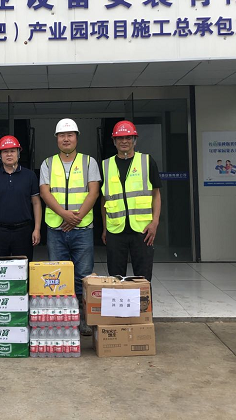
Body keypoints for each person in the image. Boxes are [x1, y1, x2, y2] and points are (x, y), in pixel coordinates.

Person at [39, 119, 100, 328]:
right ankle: (63, 319)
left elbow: (94, 192)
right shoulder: (47, 163)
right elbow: (45, 192)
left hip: (82, 229)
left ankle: (84, 319)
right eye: (62, 135)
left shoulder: (89, 162)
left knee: (84, 276)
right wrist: (64, 215)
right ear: (57, 139)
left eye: (70, 135)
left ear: (77, 138)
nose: (66, 139)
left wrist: (76, 218)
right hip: (56, 229)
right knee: (58, 276)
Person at [101, 121, 162, 282]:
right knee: (115, 278)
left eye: (128, 137)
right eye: (120, 138)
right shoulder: (105, 165)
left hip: (142, 230)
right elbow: (104, 200)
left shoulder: (147, 161)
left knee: (143, 277)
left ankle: (143, 300)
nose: (124, 141)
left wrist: (155, 223)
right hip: (115, 230)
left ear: (134, 140)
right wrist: (105, 227)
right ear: (114, 141)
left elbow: (156, 194)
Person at [0, 135, 41, 261]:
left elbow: (36, 203)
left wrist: (37, 229)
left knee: (23, 268)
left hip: (23, 231)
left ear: (18, 153)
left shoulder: (30, 176)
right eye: (5, 151)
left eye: (12, 151)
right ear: (0, 154)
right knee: (0, 268)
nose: (9, 154)